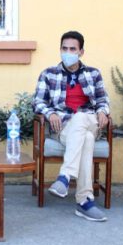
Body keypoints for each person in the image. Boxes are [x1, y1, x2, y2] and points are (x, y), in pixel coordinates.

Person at [33, 31, 110, 222]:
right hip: (64, 126)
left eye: (72, 49)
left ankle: (65, 176)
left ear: (81, 52)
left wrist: (102, 111)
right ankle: (85, 201)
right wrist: (50, 113)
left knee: (82, 117)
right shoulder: (48, 74)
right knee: (87, 139)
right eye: (64, 48)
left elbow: (102, 99)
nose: (68, 52)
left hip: (91, 121)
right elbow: (38, 102)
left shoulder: (93, 73)